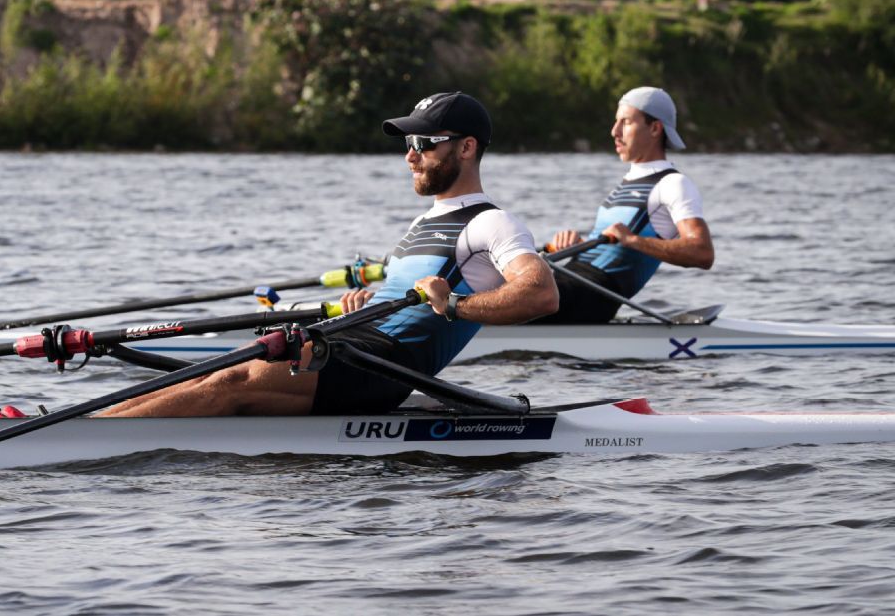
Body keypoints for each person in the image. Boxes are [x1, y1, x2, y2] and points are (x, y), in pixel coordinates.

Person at [101, 92, 558, 418]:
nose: (410, 157)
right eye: (407, 144)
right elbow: (405, 298)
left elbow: (540, 295)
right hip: (352, 342)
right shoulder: (423, 223)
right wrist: (362, 305)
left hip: (383, 370)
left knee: (230, 383)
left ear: (467, 147)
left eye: (423, 144)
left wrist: (454, 304)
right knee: (212, 369)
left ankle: (73, 440)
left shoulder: (492, 222)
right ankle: (81, 427)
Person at [537, 87, 714, 324]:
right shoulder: (627, 183)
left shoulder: (673, 184)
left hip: (592, 296)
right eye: (615, 122)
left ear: (654, 128)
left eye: (626, 122)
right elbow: (609, 247)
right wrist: (576, 245)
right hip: (569, 281)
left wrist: (632, 241)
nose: (614, 131)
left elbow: (702, 252)